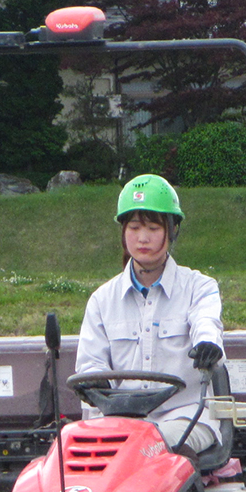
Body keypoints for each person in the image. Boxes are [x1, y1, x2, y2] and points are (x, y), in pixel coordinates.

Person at [75, 174, 224, 457]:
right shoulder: (101, 300)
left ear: (173, 229)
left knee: (150, 449)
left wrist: (208, 344)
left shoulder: (199, 288)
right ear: (123, 231)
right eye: (134, 228)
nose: (142, 238)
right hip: (120, 424)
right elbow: (90, 363)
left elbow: (206, 322)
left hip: (184, 418)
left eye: (154, 228)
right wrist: (93, 381)